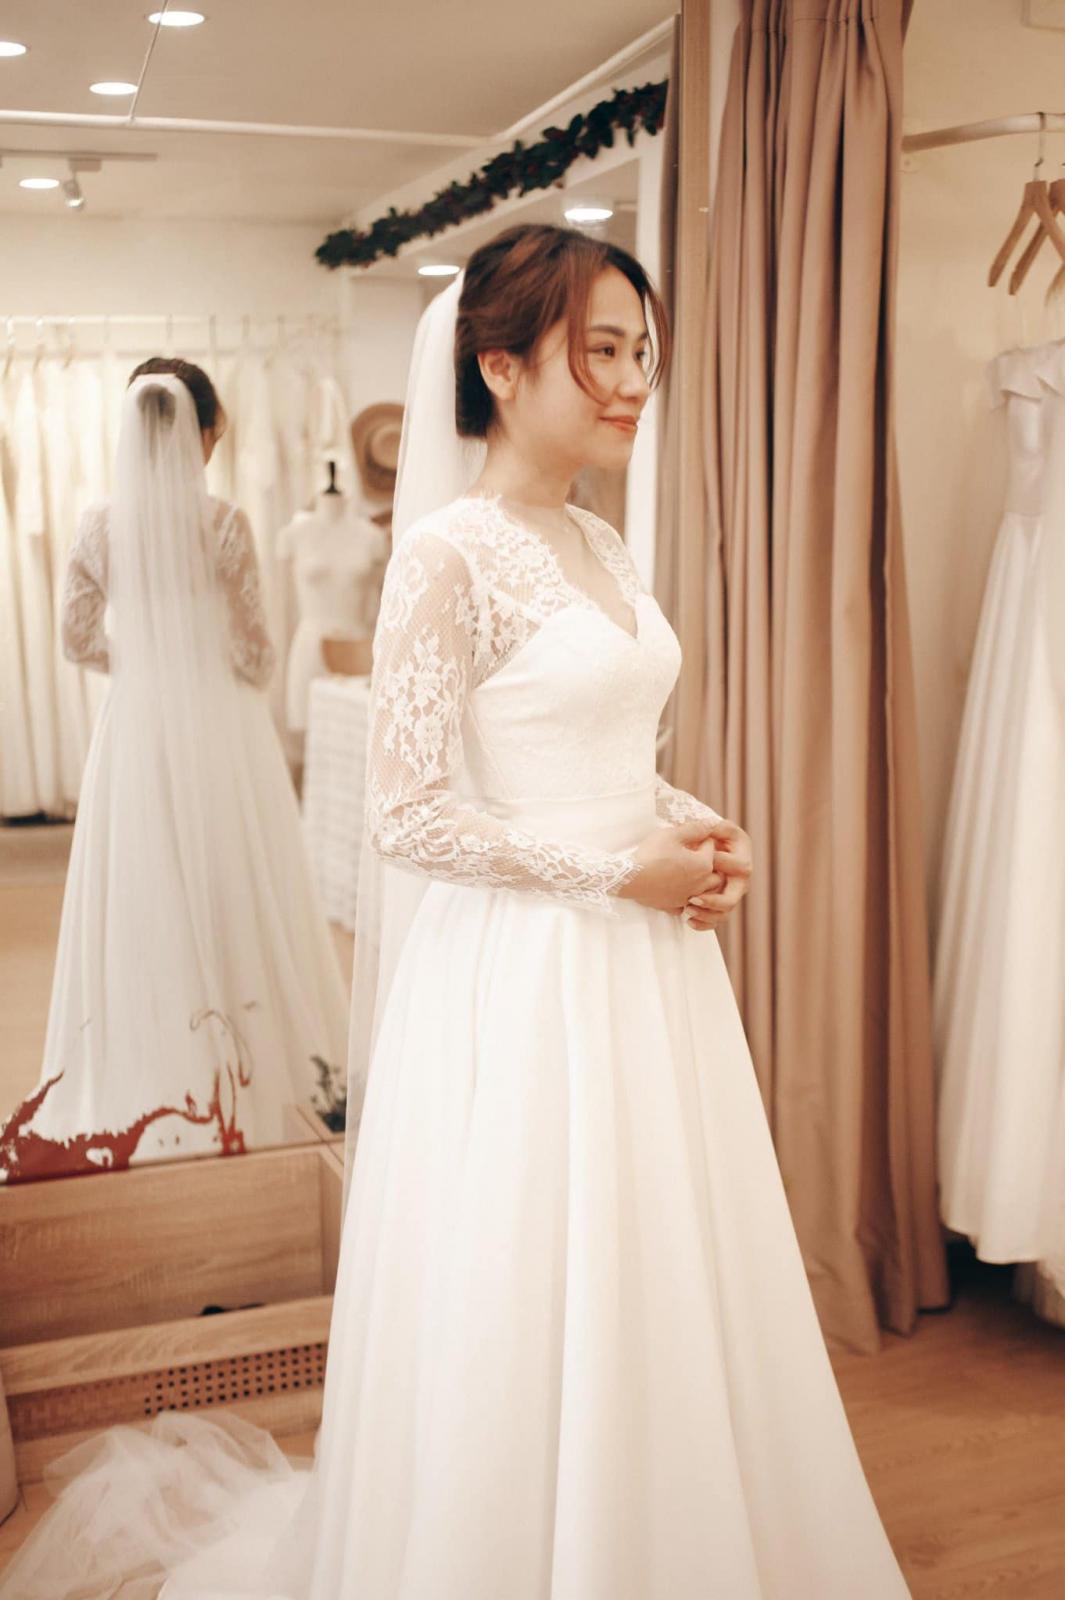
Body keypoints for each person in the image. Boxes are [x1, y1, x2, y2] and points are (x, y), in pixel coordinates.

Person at [0, 232, 911, 1597]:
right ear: (501, 366)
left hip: (646, 970)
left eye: (643, 352)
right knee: (533, 1270)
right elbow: (407, 814)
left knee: (657, 1263)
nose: (634, 382)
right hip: (529, 973)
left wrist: (693, 817)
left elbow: (599, 750)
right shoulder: (445, 554)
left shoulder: (600, 540)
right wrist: (614, 874)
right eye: (601, 351)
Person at [1, 360, 348, 1177]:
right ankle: (253, 1066)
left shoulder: (97, 526)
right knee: (233, 881)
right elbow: (255, 651)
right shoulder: (223, 524)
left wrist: (144, 664)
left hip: (135, 726)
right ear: (204, 430)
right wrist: (202, 664)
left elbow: (77, 640)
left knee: (142, 885)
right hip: (220, 727)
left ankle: (148, 1067)